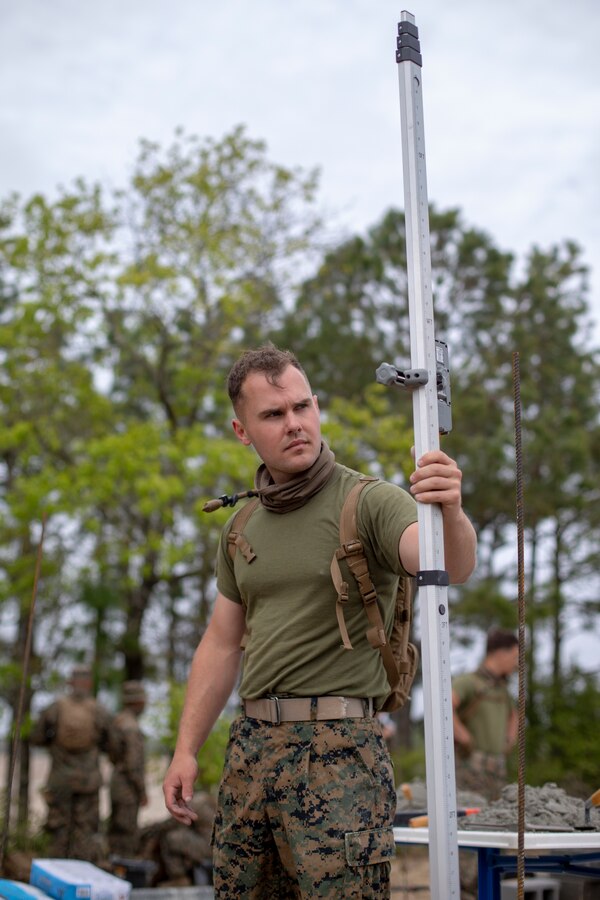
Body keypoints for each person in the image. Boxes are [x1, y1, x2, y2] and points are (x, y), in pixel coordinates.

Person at [163, 345, 477, 898]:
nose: (295, 424)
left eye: (302, 407)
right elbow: (220, 642)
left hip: (339, 755)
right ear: (242, 430)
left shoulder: (368, 502)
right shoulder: (241, 525)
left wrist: (449, 509)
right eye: (273, 415)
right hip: (251, 749)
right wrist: (186, 748)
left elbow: (447, 564)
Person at [30, 664, 117, 862]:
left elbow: (36, 738)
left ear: (70, 682)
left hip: (60, 780)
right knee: (85, 832)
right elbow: (113, 745)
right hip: (88, 781)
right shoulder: (99, 711)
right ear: (89, 683)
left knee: (57, 830)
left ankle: (54, 875)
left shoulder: (54, 708)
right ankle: (80, 879)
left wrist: (54, 745)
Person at [452, 626, 519, 802]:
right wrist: (463, 736)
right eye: (514, 657)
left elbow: (514, 714)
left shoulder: (502, 689)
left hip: (496, 770)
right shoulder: (469, 682)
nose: (516, 663)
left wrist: (510, 739)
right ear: (500, 653)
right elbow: (444, 707)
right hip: (471, 770)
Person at [108, 680, 148, 858]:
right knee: (125, 837)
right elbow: (133, 765)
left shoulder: (117, 721)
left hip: (117, 783)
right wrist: (142, 791)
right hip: (127, 788)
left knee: (115, 832)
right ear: (138, 702)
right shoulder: (131, 727)